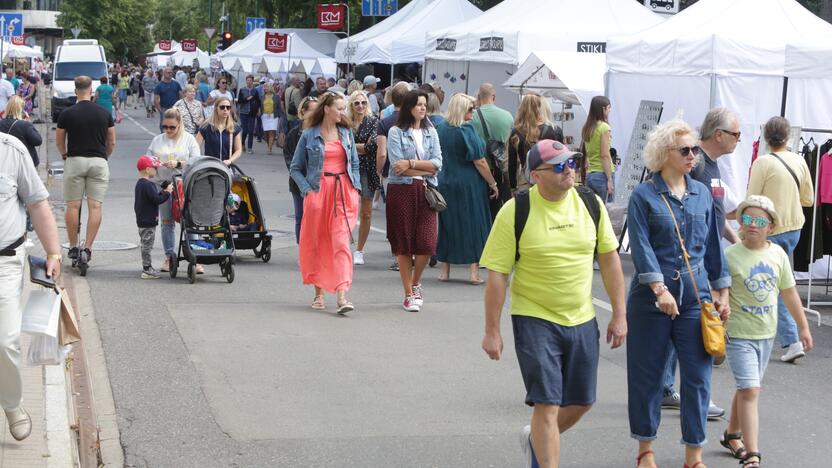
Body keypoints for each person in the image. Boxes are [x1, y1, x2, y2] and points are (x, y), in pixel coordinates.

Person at [480, 139, 627, 468]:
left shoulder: (590, 203)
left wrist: (620, 314)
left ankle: (536, 437)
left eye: (572, 163)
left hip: (581, 318)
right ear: (536, 175)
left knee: (582, 402)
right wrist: (492, 331)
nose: (569, 171)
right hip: (535, 319)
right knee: (546, 404)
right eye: (559, 166)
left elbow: (609, 260)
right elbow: (497, 275)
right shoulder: (516, 211)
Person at [625, 119, 731, 468]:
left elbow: (713, 246)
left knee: (698, 379)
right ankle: (645, 450)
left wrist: (722, 290)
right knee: (648, 377)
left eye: (695, 150)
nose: (692, 156)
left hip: (695, 298)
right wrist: (658, 288)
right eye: (684, 150)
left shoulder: (701, 194)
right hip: (651, 300)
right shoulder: (643, 196)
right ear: (663, 154)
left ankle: (694, 455)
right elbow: (640, 248)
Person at [661, 107, 744, 416]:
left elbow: (714, 213)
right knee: (697, 328)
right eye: (736, 134)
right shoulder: (695, 165)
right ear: (718, 135)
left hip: (706, 256)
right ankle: (693, 396)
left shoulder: (713, 167)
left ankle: (666, 388)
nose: (739, 140)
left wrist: (734, 240)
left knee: (685, 324)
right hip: (693, 260)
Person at [720, 195, 813, 468]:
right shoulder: (730, 255)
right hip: (738, 334)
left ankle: (732, 434)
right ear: (739, 221)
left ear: (771, 227)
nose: (752, 225)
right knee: (750, 389)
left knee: (748, 387)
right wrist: (720, 303)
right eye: (746, 218)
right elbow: (719, 289)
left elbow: (789, 293)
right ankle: (752, 454)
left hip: (766, 334)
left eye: (759, 221)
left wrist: (803, 327)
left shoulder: (778, 255)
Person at [0, 132, 61, 443]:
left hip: (4, 262)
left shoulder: (11, 150)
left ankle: (11, 404)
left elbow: (37, 204)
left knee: (5, 340)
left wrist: (53, 252)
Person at [744, 116, 814, 364]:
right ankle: (784, 336)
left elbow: (752, 199)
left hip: (769, 229)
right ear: (788, 137)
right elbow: (808, 199)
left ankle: (790, 339)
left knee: (774, 283)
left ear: (765, 137)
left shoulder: (762, 163)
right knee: (779, 281)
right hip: (794, 227)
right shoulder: (800, 161)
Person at [290, 91, 360, 315]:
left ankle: (342, 295)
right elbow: (295, 168)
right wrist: (307, 191)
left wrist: (355, 189)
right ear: (327, 109)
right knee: (318, 242)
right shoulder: (309, 135)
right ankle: (318, 294)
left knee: (340, 242)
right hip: (318, 192)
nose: (343, 112)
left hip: (343, 191)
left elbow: (355, 165)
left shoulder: (346, 133)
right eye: (339, 108)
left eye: (343, 108)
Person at [386, 90, 443, 312]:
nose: (422, 108)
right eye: (419, 104)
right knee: (403, 244)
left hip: (427, 190)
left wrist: (411, 163)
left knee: (427, 244)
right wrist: (423, 167)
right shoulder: (395, 131)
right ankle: (408, 293)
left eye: (424, 105)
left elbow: (438, 163)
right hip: (402, 191)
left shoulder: (431, 131)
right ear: (409, 107)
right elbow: (396, 167)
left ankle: (416, 281)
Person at [435, 93, 496, 284]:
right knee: (474, 225)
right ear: (462, 109)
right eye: (471, 108)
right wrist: (493, 183)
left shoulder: (441, 128)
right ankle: (473, 273)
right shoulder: (467, 128)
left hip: (445, 180)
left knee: (447, 224)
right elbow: (480, 161)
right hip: (468, 183)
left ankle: (444, 271)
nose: (474, 111)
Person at [56, 75, 116, 265]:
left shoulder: (67, 113)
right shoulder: (104, 113)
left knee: (73, 205)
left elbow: (59, 140)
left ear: (75, 91)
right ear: (92, 91)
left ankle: (73, 246)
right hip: (98, 161)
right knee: (95, 206)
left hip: (75, 160)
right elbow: (112, 141)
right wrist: (104, 155)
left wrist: (65, 155)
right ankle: (88, 248)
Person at [147, 108, 200, 273]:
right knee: (167, 222)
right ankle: (169, 256)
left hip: (184, 184)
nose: (168, 130)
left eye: (172, 127)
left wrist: (179, 163)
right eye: (165, 127)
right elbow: (147, 161)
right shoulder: (157, 140)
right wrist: (156, 166)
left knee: (190, 221)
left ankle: (196, 257)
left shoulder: (189, 139)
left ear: (180, 125)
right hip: (164, 185)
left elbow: (196, 161)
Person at [376, 81, 412, 272]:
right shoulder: (416, 121)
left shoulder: (385, 122)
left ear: (391, 99)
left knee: (396, 218)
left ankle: (398, 256)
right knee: (413, 215)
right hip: (416, 174)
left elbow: (382, 153)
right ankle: (412, 252)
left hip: (394, 175)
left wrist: (379, 171)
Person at [507, 93, 564, 195]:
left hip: (526, 180)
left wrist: (512, 187)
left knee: (527, 209)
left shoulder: (516, 132)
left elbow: (512, 163)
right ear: (539, 107)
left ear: (521, 109)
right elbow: (561, 158)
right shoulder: (555, 130)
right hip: (549, 179)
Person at [348, 90, 379, 266]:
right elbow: (340, 144)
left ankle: (359, 250)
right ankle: (344, 246)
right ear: (351, 105)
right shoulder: (346, 123)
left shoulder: (373, 121)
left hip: (367, 170)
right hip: (347, 169)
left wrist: (351, 146)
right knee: (347, 209)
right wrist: (359, 147)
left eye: (363, 102)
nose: (360, 106)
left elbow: (372, 146)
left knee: (366, 212)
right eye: (356, 103)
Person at [283, 96, 319, 242]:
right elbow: (290, 161)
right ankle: (302, 251)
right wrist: (302, 181)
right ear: (303, 112)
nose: (317, 113)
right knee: (301, 216)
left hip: (318, 183)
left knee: (316, 219)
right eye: (313, 110)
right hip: (299, 184)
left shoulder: (322, 131)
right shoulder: (293, 134)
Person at [134, 155, 173, 279]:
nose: (156, 171)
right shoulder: (148, 185)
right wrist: (167, 193)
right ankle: (147, 269)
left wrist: (162, 191)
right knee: (147, 245)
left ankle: (147, 267)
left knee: (145, 243)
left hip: (142, 219)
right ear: (147, 169)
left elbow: (152, 198)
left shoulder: (140, 184)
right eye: (154, 168)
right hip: (148, 220)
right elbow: (156, 200)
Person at [581, 96, 614, 202]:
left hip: (591, 174)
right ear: (603, 109)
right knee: (605, 211)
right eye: (608, 108)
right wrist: (609, 179)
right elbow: (604, 154)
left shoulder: (587, 127)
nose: (610, 110)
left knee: (592, 210)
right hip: (602, 174)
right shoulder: (604, 127)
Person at [196, 96, 242, 166]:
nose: (225, 109)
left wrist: (230, 160)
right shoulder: (206, 126)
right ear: (216, 109)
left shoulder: (234, 127)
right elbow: (195, 147)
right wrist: (200, 161)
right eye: (222, 107)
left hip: (226, 167)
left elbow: (238, 150)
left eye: (228, 107)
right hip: (210, 167)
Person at [0, 96, 42, 166]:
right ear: (21, 110)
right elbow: (38, 141)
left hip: (5, 162)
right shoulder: (25, 125)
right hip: (25, 162)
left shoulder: (1, 123)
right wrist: (29, 123)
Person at [154, 67, 183, 132]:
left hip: (175, 109)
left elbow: (181, 95)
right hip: (164, 109)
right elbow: (155, 99)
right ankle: (164, 138)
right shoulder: (159, 85)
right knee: (164, 126)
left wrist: (180, 106)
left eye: (171, 73)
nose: (169, 74)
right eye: (168, 72)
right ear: (163, 73)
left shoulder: (176, 84)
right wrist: (160, 110)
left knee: (176, 125)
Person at [237, 75, 260, 154]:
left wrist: (258, 110)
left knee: (251, 131)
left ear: (252, 81)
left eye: (250, 80)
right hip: (244, 112)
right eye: (248, 80)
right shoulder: (242, 90)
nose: (249, 82)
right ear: (246, 81)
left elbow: (258, 101)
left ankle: (249, 148)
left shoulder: (255, 91)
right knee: (245, 130)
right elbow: (239, 101)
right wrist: (246, 99)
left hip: (252, 112)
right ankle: (242, 144)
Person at [260, 86, 285, 155]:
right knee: (266, 133)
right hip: (264, 116)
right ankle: (269, 145)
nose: (265, 88)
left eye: (267, 87)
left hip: (274, 116)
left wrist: (281, 116)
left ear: (271, 88)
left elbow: (279, 107)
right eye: (265, 87)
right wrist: (259, 112)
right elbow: (260, 106)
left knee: (272, 132)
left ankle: (269, 148)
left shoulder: (276, 97)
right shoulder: (262, 97)